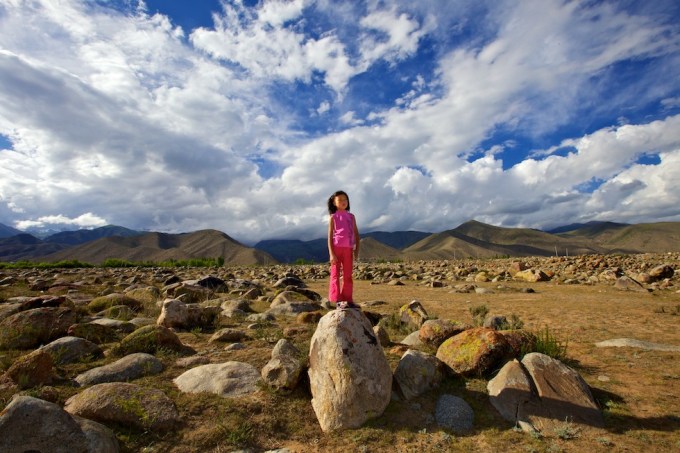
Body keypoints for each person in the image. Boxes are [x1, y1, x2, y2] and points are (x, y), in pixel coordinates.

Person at [327, 190, 360, 309]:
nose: (343, 202)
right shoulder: (333, 217)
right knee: (335, 275)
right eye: (340, 200)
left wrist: (356, 251)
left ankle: (348, 299)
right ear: (334, 202)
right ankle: (337, 300)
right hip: (336, 249)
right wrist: (331, 254)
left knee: (348, 275)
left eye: (345, 199)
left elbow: (356, 234)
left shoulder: (351, 217)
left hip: (349, 249)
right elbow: (330, 237)